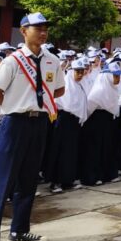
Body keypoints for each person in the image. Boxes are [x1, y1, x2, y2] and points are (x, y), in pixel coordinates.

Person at [0, 12, 66, 241]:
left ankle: (19, 230)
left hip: (39, 123)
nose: (43, 32)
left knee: (29, 180)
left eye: (45, 28)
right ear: (23, 31)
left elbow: (59, 89)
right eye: (37, 28)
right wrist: (17, 105)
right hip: (14, 123)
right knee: (2, 181)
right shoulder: (13, 62)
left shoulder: (52, 60)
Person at [47, 59, 88, 193]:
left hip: (74, 122)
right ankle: (55, 181)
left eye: (82, 72)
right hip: (64, 120)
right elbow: (63, 103)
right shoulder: (65, 84)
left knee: (71, 152)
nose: (80, 74)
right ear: (71, 71)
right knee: (60, 151)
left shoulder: (80, 86)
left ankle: (67, 180)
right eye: (77, 71)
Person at [82, 63, 121, 185]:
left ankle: (107, 174)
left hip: (109, 121)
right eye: (115, 76)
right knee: (96, 150)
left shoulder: (113, 89)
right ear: (108, 76)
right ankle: (93, 176)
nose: (118, 79)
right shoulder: (99, 90)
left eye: (118, 76)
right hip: (97, 122)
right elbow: (88, 109)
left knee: (108, 148)